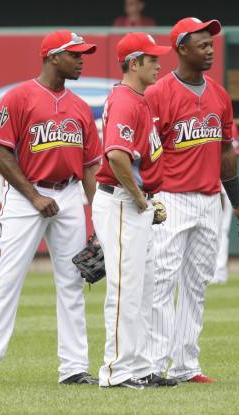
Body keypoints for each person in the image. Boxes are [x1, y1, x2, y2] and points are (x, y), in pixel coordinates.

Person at [0, 30, 102, 385]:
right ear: (54, 56)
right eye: (76, 54)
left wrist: (97, 218)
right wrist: (33, 197)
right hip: (27, 195)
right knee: (8, 279)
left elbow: (90, 167)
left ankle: (74, 368)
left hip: (68, 194)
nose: (83, 59)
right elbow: (0, 151)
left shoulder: (81, 107)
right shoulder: (19, 97)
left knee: (72, 281)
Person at [143, 17, 239, 383]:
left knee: (196, 286)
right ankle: (153, 365)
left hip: (208, 199)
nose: (209, 50)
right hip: (169, 199)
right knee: (160, 283)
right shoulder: (157, 93)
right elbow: (145, 152)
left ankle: (187, 366)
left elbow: (226, 153)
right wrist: (148, 198)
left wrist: (238, 205)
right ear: (181, 49)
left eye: (211, 44)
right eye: (202, 44)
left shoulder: (219, 94)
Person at [93, 32, 176, 390]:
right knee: (125, 289)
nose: (159, 64)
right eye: (152, 59)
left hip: (132, 201)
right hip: (122, 202)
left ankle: (140, 366)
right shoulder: (126, 100)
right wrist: (140, 198)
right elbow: (115, 156)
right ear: (134, 63)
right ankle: (116, 372)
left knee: (143, 289)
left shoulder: (136, 98)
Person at [212, 122, 239, 285]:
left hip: (222, 182)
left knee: (221, 229)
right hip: (203, 181)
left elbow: (231, 156)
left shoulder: (230, 125)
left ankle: (219, 272)